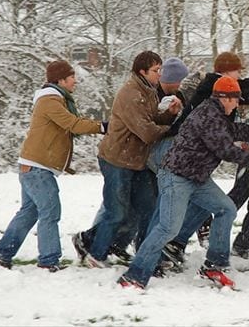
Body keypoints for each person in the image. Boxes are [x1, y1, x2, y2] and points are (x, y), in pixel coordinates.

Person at [117, 76, 249, 289]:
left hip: (197, 178)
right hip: (176, 177)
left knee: (226, 209)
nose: (238, 103)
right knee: (168, 229)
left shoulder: (220, 115)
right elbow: (224, 149)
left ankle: (214, 265)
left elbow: (236, 131)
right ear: (224, 97)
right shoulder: (209, 116)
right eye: (235, 99)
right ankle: (134, 275)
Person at [0, 61, 106, 272]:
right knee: (50, 213)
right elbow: (73, 123)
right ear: (60, 80)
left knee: (29, 213)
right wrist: (102, 126)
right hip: (37, 168)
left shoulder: (54, 99)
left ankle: (2, 253)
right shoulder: (50, 100)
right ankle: (48, 260)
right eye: (72, 77)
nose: (75, 81)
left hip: (32, 166)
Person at [73, 51, 181, 268]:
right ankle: (95, 252)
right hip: (117, 159)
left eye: (160, 70)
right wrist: (174, 127)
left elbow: (151, 120)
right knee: (117, 211)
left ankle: (141, 254)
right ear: (142, 71)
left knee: (146, 207)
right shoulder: (131, 93)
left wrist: (169, 113)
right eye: (155, 70)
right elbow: (146, 131)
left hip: (136, 160)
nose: (160, 75)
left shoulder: (148, 90)